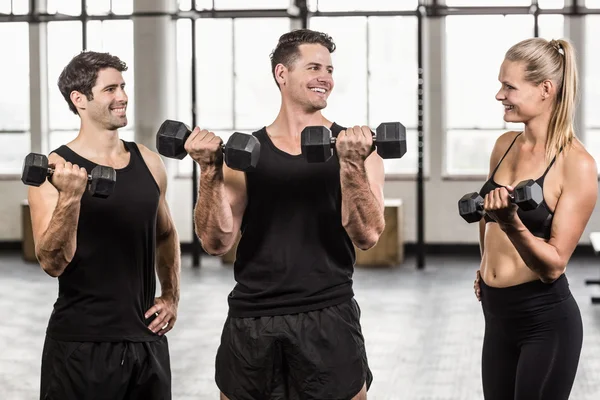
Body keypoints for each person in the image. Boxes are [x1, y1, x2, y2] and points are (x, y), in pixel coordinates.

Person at [184, 29, 385, 399]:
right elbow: (216, 241)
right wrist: (209, 170)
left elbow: (368, 235)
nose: (325, 77)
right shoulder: (246, 152)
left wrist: (352, 165)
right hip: (252, 316)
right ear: (282, 74)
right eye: (313, 67)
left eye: (329, 68)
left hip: (328, 311)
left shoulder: (358, 148)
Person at [29, 51, 181, 400]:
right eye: (111, 89)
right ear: (79, 99)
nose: (123, 97)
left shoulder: (149, 161)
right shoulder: (52, 170)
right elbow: (52, 263)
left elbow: (167, 233)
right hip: (82, 345)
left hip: (147, 340)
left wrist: (172, 296)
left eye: (123, 87)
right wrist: (70, 198)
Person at [472, 38, 597, 400]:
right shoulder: (504, 145)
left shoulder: (577, 164)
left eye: (509, 86)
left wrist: (512, 224)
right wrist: (485, 265)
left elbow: (553, 266)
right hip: (496, 316)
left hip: (545, 322)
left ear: (546, 89)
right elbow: (488, 213)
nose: (499, 95)